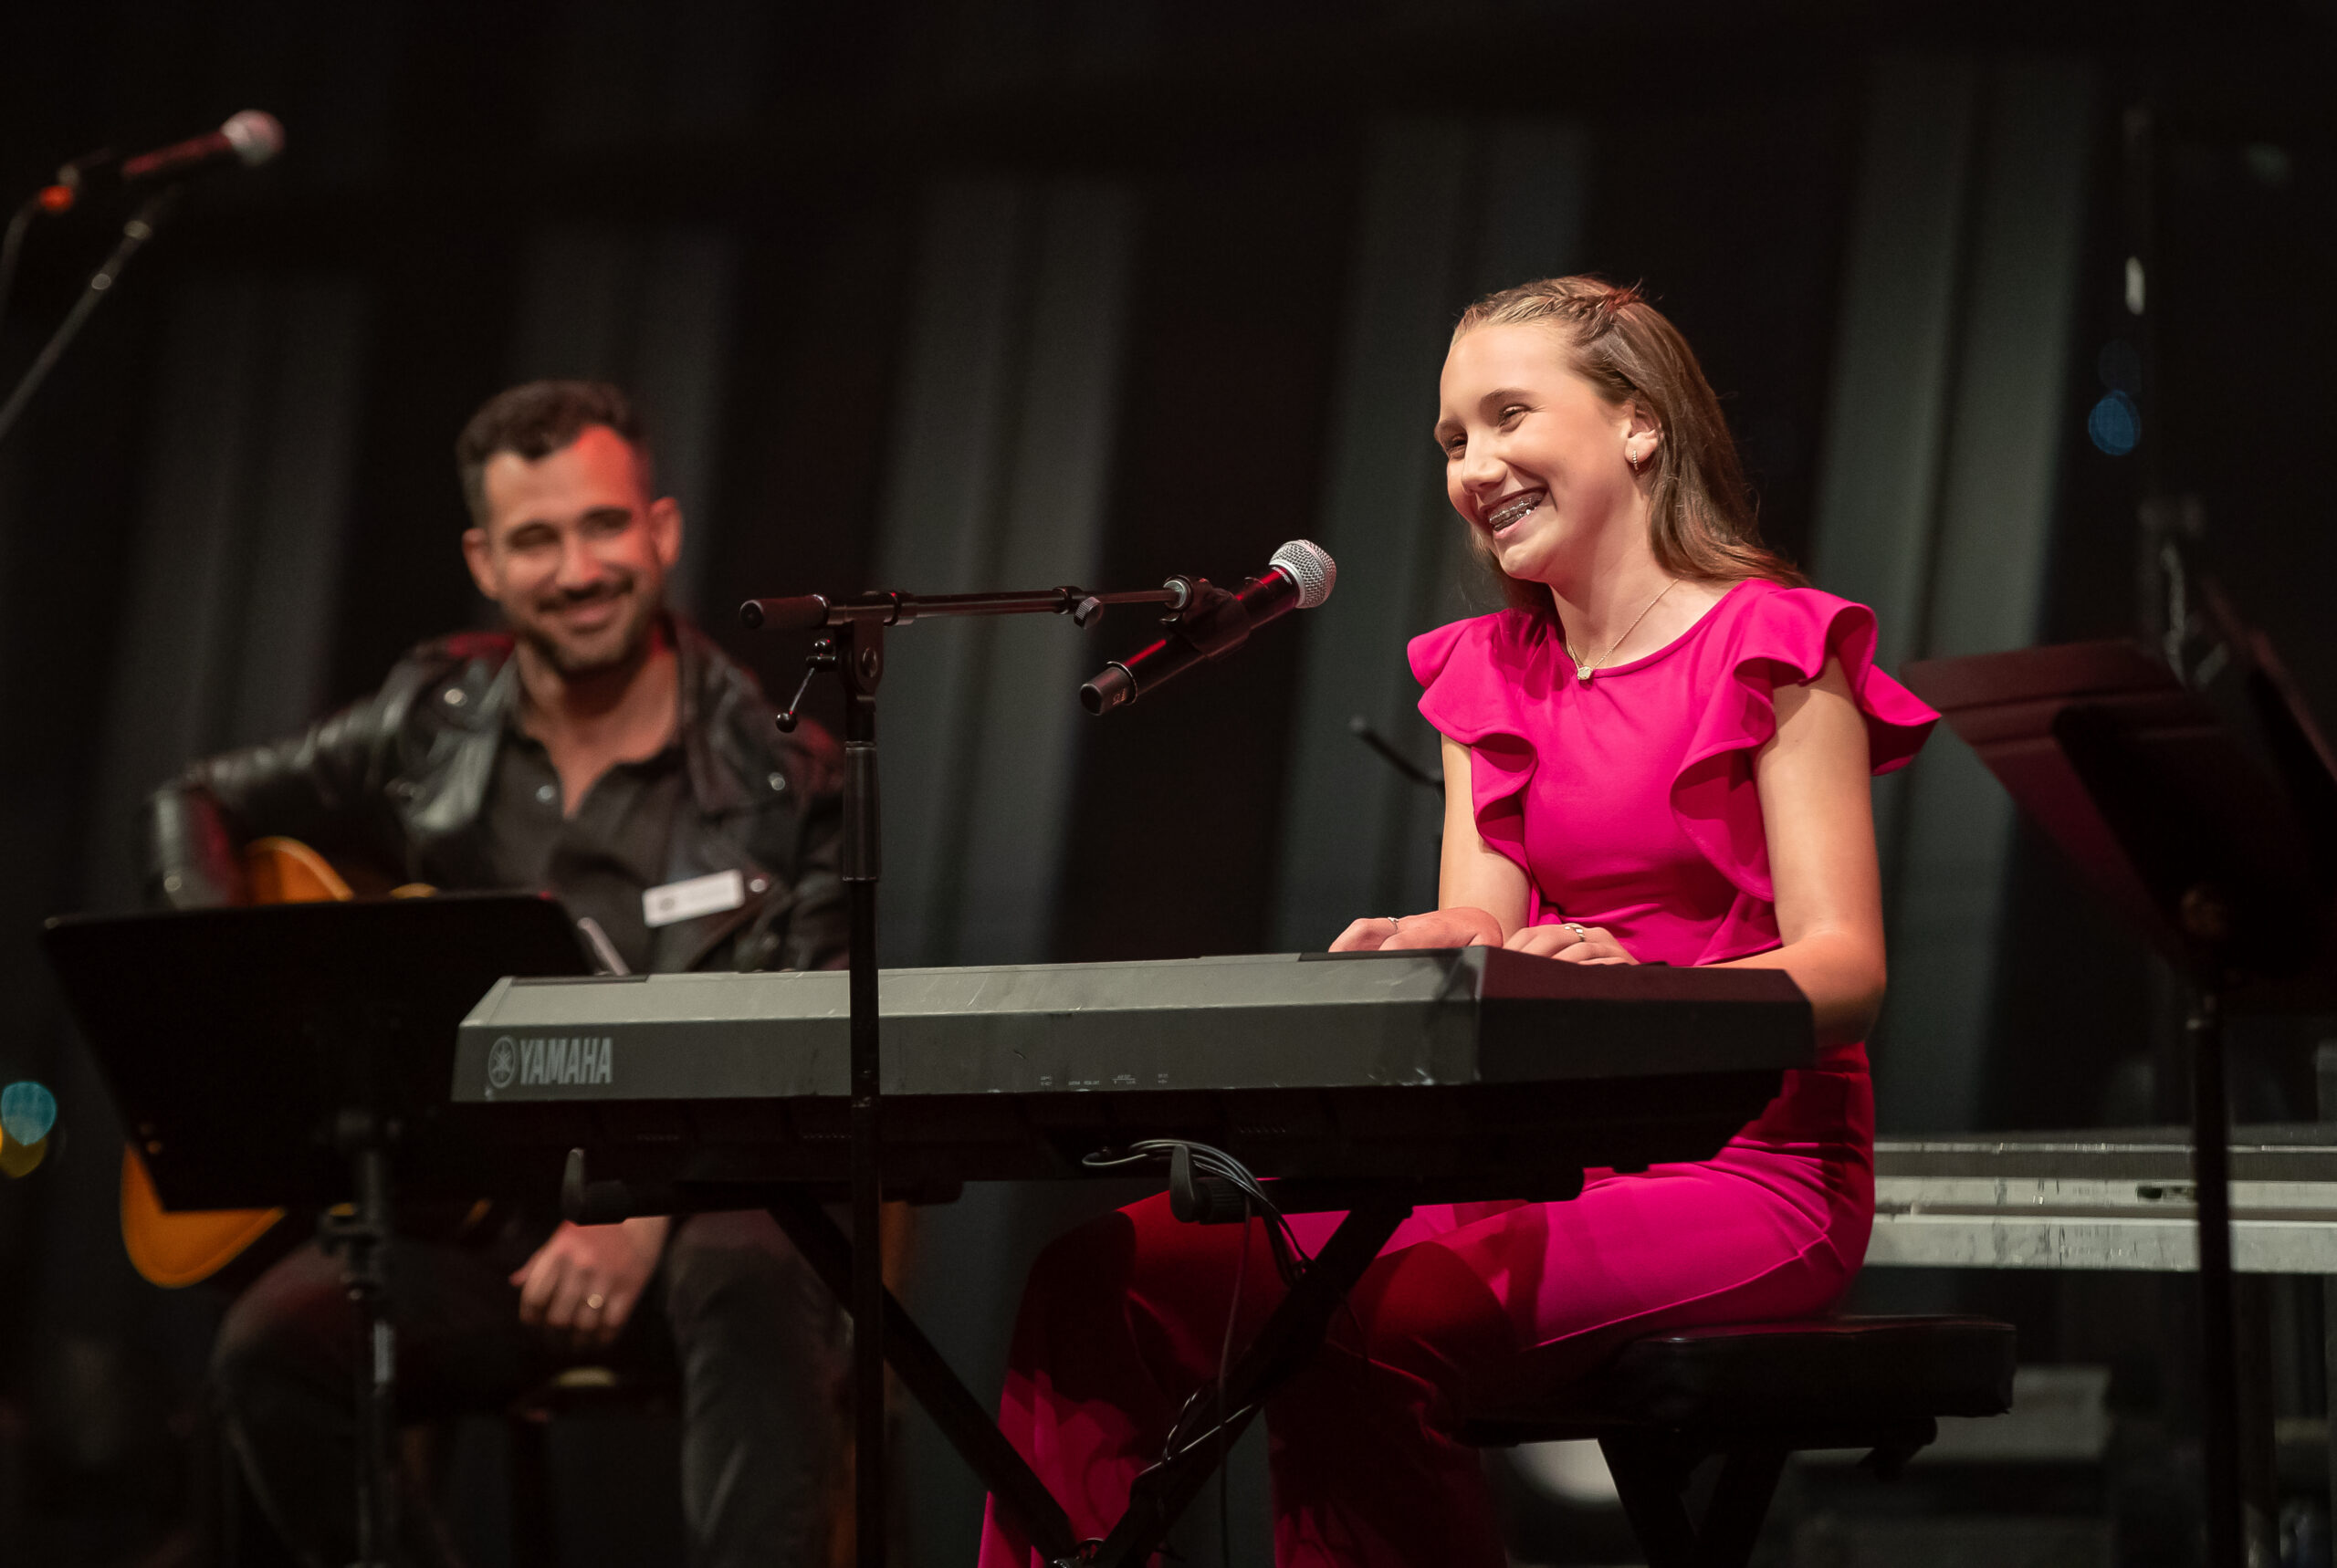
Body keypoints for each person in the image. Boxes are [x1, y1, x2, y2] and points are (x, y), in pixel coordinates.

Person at [974, 277, 1939, 1567]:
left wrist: (1630, 990)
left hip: (1752, 1170)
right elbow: (1486, 934)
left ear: (1639, 424)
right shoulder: (1484, 671)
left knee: (1376, 1317)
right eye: (1450, 442)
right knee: (1099, 1281)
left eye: (1505, 418)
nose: (1474, 469)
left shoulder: (1774, 643)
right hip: (1532, 1164)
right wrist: (1424, 953)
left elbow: (1848, 969)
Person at [146, 381, 849, 1567]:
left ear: (663, 531)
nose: (578, 568)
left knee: (753, 1272)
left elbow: (819, 1050)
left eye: (604, 526)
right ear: (485, 560)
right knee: (273, 1350)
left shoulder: (789, 771)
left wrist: (642, 1211)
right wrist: (237, 967)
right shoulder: (430, 719)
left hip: (703, 1218)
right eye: (536, 537)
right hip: (482, 1218)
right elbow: (192, 801)